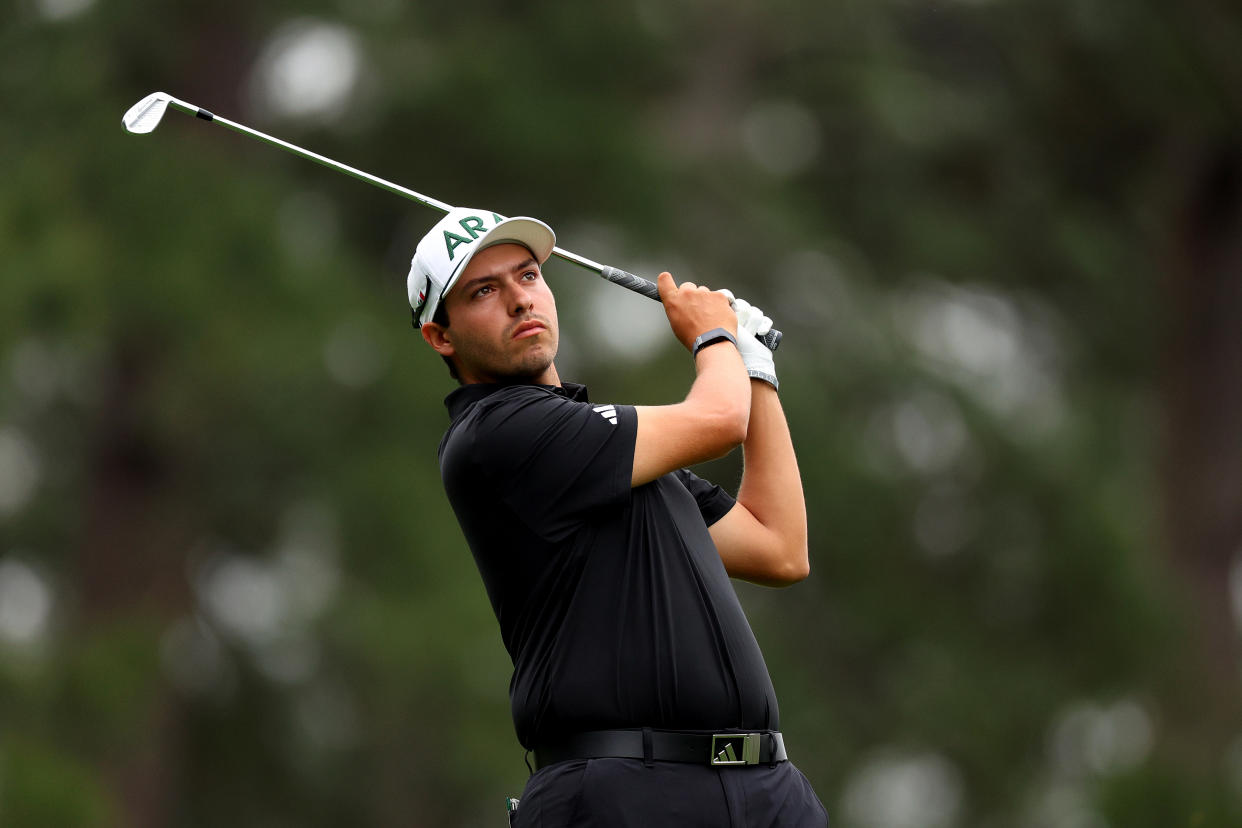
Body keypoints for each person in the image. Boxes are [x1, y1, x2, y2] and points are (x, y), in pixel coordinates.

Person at [408, 207, 826, 827]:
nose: (520, 301)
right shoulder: (496, 434)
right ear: (441, 336)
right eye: (483, 291)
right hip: (625, 796)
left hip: (766, 792)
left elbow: (779, 548)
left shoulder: (610, 451)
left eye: (526, 277)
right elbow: (717, 421)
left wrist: (756, 371)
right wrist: (716, 339)